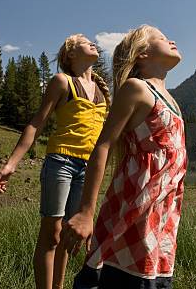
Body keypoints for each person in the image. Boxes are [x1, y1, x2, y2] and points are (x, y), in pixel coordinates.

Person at [61, 25, 186, 289]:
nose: (172, 39)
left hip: (163, 216)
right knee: (124, 279)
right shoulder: (137, 89)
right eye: (162, 38)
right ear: (142, 54)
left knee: (155, 279)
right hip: (133, 207)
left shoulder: (172, 102)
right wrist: (86, 212)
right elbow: (103, 146)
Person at [0, 34, 110, 289]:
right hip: (61, 162)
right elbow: (36, 123)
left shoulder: (102, 92)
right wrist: (11, 164)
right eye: (84, 41)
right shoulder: (62, 81)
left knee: (68, 235)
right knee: (52, 234)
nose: (92, 43)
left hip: (89, 170)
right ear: (71, 55)